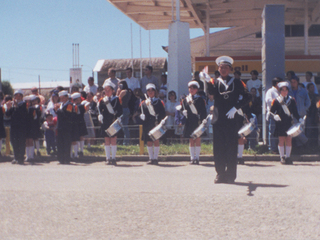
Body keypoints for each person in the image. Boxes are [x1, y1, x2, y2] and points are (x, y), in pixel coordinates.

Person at [207, 56, 251, 183]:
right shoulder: (215, 82)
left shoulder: (237, 82)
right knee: (219, 147)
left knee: (231, 147)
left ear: (230, 69)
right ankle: (220, 174)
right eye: (221, 67)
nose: (223, 70)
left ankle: (231, 175)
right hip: (219, 119)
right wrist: (206, 82)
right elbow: (212, 93)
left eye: (226, 67)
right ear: (218, 69)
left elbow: (248, 97)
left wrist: (236, 108)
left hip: (231, 119)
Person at [270, 82, 301, 164]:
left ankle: (288, 157)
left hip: (289, 122)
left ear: (288, 91)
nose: (284, 92)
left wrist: (299, 118)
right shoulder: (276, 100)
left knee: (289, 140)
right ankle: (282, 157)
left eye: (286, 90)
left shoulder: (291, 100)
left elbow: (295, 112)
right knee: (281, 140)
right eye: (282, 90)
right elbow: (271, 112)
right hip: (280, 123)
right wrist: (275, 116)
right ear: (280, 91)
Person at [180, 81, 207, 164]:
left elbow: (203, 111)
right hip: (189, 121)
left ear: (197, 89)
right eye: (190, 88)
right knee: (191, 140)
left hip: (197, 121)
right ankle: (192, 158)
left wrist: (203, 119)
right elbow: (182, 108)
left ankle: (197, 158)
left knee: (197, 139)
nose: (191, 90)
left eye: (193, 88)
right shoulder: (186, 99)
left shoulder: (200, 99)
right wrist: (182, 112)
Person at [139, 83, 166, 165]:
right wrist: (141, 116)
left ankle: (156, 158)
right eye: (148, 91)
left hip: (155, 123)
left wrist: (162, 121)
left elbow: (162, 113)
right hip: (147, 123)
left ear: (155, 91)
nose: (150, 92)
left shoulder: (159, 102)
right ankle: (151, 158)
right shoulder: (143, 103)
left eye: (152, 90)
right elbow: (140, 111)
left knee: (156, 140)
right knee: (149, 141)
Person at [98, 81, 123, 165]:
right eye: (105, 90)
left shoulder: (117, 99)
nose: (107, 92)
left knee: (113, 140)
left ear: (112, 90)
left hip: (113, 121)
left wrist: (119, 117)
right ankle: (108, 158)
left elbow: (120, 110)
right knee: (106, 140)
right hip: (105, 122)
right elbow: (99, 110)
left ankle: (113, 158)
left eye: (108, 90)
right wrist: (100, 115)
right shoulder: (102, 100)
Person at [5, 90, 28, 164]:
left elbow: (21, 114)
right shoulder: (13, 104)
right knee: (14, 141)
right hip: (13, 126)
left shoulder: (24, 104)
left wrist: (15, 106)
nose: (17, 97)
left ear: (21, 97)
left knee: (21, 142)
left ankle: (21, 158)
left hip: (21, 127)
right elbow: (8, 114)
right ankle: (16, 157)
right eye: (16, 96)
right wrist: (8, 108)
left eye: (19, 96)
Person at [288, 75, 311, 148]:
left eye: (294, 82)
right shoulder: (288, 91)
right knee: (296, 130)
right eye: (291, 82)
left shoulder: (303, 91)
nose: (293, 84)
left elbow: (308, 101)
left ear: (297, 82)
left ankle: (300, 146)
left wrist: (305, 108)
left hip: (301, 113)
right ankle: (306, 141)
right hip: (293, 114)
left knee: (301, 130)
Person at [54, 90, 76, 164]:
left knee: (66, 143)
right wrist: (57, 110)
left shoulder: (69, 104)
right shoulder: (61, 105)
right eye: (61, 98)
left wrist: (58, 110)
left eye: (63, 97)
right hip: (60, 126)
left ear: (67, 97)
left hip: (67, 127)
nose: (62, 99)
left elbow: (67, 115)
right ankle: (61, 158)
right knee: (60, 143)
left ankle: (66, 159)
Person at [266, 77, 282, 153]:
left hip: (280, 114)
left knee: (279, 131)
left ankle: (279, 148)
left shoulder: (280, 91)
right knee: (272, 131)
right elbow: (268, 100)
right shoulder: (270, 91)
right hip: (273, 114)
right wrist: (276, 101)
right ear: (277, 84)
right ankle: (272, 148)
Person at [71, 92, 89, 158]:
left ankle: (80, 151)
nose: (79, 100)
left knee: (81, 137)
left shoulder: (80, 106)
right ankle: (79, 151)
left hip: (79, 123)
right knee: (78, 138)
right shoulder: (76, 106)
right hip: (78, 123)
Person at [117, 80, 132, 145]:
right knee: (124, 126)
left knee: (123, 126)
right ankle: (126, 142)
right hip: (126, 109)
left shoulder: (123, 91)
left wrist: (118, 91)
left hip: (123, 109)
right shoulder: (128, 91)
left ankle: (126, 142)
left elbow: (118, 99)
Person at [305, 83, 319, 148]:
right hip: (309, 114)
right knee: (309, 129)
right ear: (308, 89)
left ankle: (315, 143)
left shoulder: (317, 96)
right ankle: (308, 144)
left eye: (313, 87)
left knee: (316, 129)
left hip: (315, 114)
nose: (312, 89)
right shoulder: (306, 96)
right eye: (311, 87)